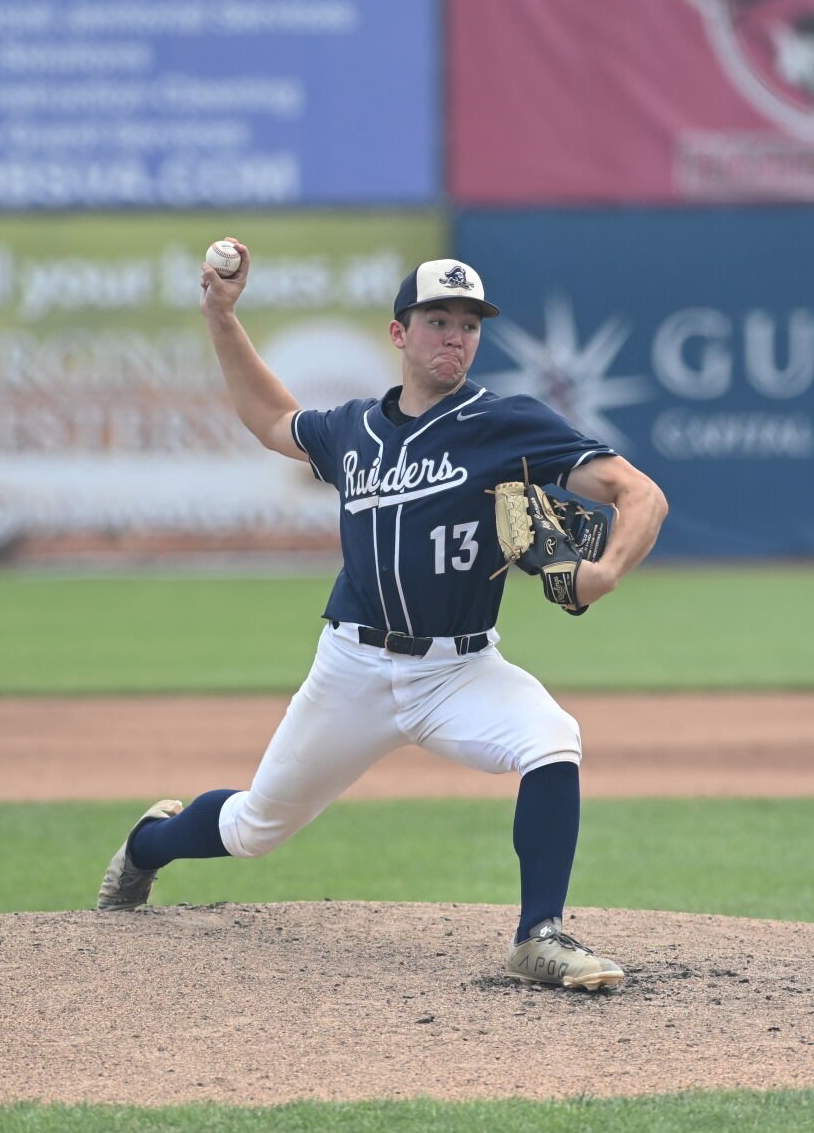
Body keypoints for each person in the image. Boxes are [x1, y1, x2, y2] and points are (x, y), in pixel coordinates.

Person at [96, 242, 669, 990]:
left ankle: (539, 933)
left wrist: (603, 573)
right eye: (437, 320)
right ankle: (149, 845)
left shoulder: (505, 424)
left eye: (468, 324)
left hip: (460, 669)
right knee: (254, 827)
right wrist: (220, 315)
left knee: (552, 739)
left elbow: (639, 492)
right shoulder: (353, 432)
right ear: (399, 334)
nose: (454, 337)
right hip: (353, 669)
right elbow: (272, 420)